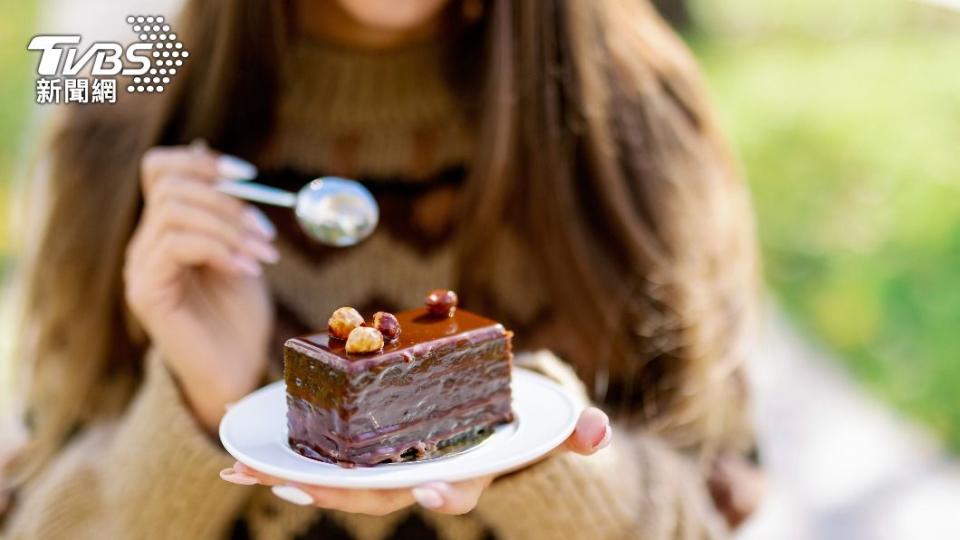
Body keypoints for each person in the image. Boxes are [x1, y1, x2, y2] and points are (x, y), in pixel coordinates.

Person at [0, 0, 763, 538]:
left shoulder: (640, 125)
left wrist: (530, 448)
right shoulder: (118, 126)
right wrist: (200, 404)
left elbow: (719, 506)